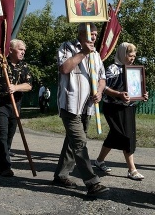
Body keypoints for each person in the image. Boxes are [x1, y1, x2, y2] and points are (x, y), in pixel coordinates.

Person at [53, 22, 109, 196]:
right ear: (80, 33)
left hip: (87, 107)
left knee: (72, 142)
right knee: (79, 142)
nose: (94, 36)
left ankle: (61, 175)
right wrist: (83, 52)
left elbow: (102, 78)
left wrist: (99, 92)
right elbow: (64, 68)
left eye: (95, 33)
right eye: (90, 33)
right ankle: (92, 183)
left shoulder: (96, 54)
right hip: (70, 104)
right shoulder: (67, 47)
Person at [93, 42, 149, 180]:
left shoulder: (134, 70)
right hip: (113, 107)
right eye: (130, 55)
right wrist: (118, 94)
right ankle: (132, 170)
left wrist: (142, 94)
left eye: (134, 56)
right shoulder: (112, 68)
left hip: (128, 108)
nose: (132, 58)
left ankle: (99, 161)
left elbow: (136, 88)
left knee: (115, 135)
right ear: (123, 54)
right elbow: (104, 87)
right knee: (125, 136)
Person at [0, 39, 32, 177]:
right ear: (10, 50)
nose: (23, 52)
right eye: (20, 49)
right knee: (1, 134)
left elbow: (29, 85)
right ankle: (5, 166)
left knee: (9, 135)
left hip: (15, 104)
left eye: (24, 50)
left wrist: (16, 87)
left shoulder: (24, 66)